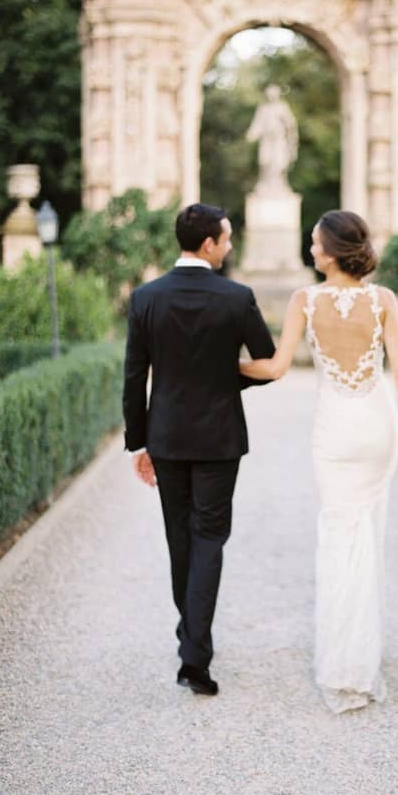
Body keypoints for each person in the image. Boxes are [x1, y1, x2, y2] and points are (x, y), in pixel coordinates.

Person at [239, 210, 398, 713]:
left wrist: (218, 365)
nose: (311, 249)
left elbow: (274, 368)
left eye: (317, 243)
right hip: (378, 426)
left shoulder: (305, 300)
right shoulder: (384, 300)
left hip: (335, 430)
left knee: (339, 536)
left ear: (335, 250)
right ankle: (362, 657)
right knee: (368, 532)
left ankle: (345, 664)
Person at [123, 203, 275, 696]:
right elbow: (266, 360)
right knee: (208, 538)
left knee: (179, 538)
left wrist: (137, 442)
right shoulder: (237, 297)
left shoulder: (146, 297)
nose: (230, 247)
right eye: (227, 239)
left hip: (166, 437)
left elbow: (133, 378)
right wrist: (222, 380)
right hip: (218, 439)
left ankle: (192, 642)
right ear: (208, 244)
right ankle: (195, 653)